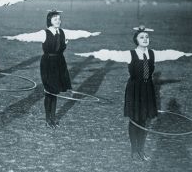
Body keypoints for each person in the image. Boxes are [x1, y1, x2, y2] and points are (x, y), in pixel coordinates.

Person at [74, 25, 192, 161]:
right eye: (142, 37)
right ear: (136, 40)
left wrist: (185, 54)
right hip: (134, 89)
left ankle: (141, 149)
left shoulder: (153, 54)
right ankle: (133, 150)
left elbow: (169, 53)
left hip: (147, 89)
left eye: (147, 37)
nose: (145, 39)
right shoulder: (129, 55)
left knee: (144, 120)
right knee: (135, 119)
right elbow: (110, 53)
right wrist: (89, 54)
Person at [3, 10, 101, 129]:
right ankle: (47, 118)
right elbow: (29, 36)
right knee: (49, 91)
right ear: (49, 21)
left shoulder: (63, 32)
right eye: (55, 19)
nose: (58, 21)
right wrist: (14, 37)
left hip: (60, 63)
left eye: (59, 19)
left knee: (55, 91)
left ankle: (52, 118)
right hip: (48, 63)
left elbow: (77, 33)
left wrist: (89, 34)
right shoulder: (44, 33)